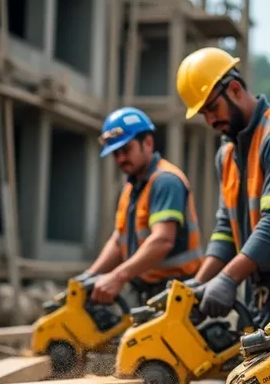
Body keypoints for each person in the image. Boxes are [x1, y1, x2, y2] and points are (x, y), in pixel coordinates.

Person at [175, 46, 270, 328]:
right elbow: (226, 228)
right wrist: (199, 284)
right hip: (261, 284)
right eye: (203, 114)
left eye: (212, 108)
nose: (210, 121)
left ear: (234, 89)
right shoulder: (228, 153)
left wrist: (228, 277)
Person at [78, 106, 202, 305]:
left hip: (176, 294)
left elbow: (162, 240)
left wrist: (117, 276)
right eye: (115, 154)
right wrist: (88, 276)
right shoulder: (131, 188)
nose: (120, 159)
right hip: (149, 293)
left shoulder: (165, 181)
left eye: (126, 150)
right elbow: (119, 241)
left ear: (148, 142)